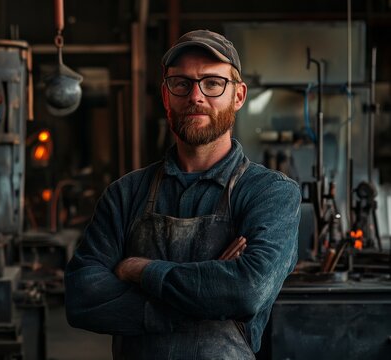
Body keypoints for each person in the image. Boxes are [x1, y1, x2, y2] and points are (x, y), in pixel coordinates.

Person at [64, 29, 301, 359]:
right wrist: (200, 301)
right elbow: (81, 298)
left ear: (239, 95)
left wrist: (140, 270)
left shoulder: (270, 193)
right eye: (181, 83)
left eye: (213, 83)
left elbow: (247, 290)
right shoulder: (125, 194)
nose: (196, 96)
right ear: (165, 96)